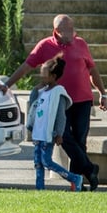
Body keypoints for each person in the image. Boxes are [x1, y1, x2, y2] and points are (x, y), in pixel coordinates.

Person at [0, 14, 107, 190]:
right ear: (57, 31)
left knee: (80, 141)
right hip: (60, 102)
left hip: (82, 100)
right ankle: (89, 168)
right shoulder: (45, 46)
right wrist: (7, 84)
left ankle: (77, 184)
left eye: (73, 28)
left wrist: (103, 93)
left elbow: (92, 70)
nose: (72, 32)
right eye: (68, 30)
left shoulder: (81, 43)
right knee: (65, 138)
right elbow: (26, 66)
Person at [26, 56, 84, 191]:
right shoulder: (42, 92)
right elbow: (33, 103)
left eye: (44, 75)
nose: (42, 78)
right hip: (38, 134)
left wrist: (59, 133)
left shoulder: (58, 93)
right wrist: (35, 89)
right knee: (38, 163)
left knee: (47, 161)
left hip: (48, 134)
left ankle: (74, 178)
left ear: (53, 76)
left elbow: (60, 116)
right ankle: (39, 188)